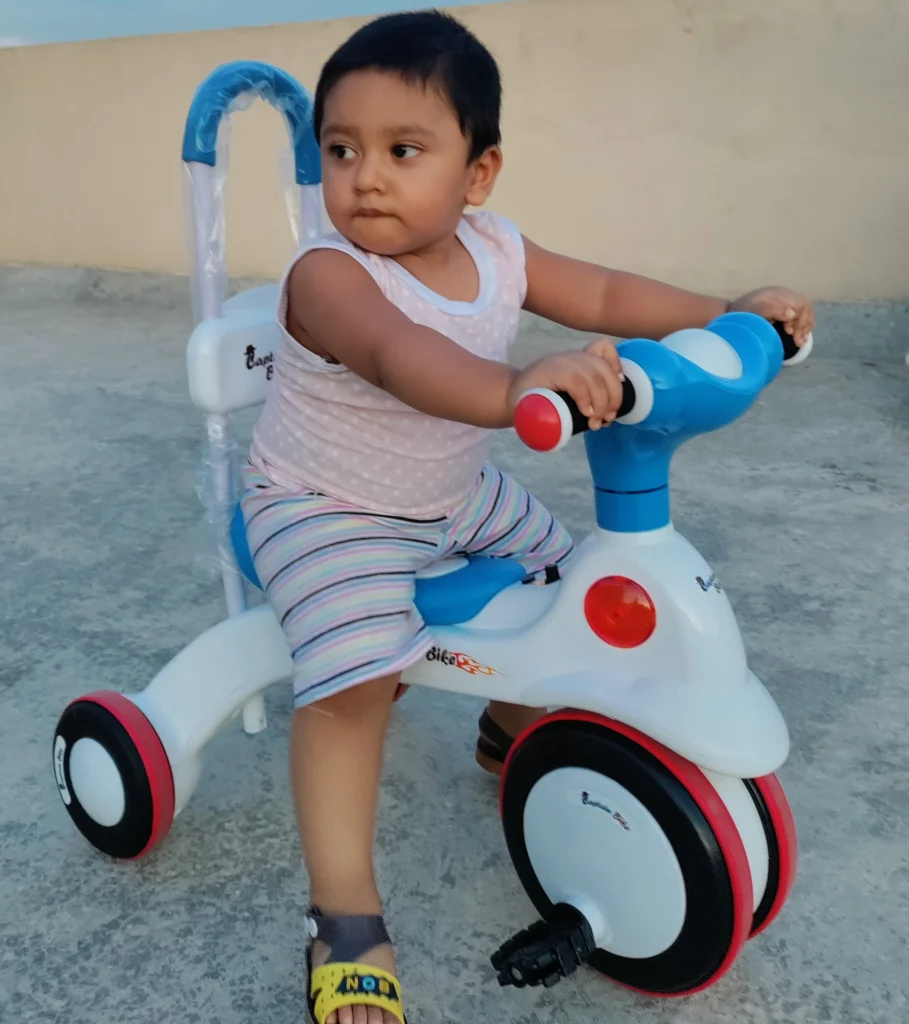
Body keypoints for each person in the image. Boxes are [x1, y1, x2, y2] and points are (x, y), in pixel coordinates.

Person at [241, 10, 815, 1023]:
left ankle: (512, 725)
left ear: (478, 174)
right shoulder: (328, 274)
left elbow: (599, 289)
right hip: (324, 505)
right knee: (356, 672)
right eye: (341, 150)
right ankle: (345, 914)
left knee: (566, 583)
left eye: (403, 150)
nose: (365, 177)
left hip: (450, 496)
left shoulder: (499, 250)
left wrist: (722, 312)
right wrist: (518, 389)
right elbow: (400, 358)